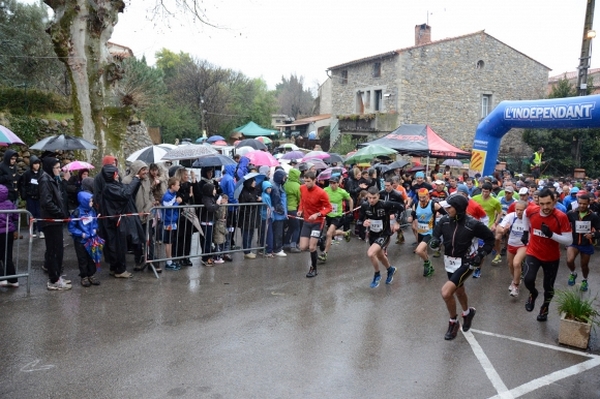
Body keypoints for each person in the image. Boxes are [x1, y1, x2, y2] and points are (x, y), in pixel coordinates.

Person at [429, 195, 495, 340]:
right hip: (449, 261)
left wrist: (481, 253)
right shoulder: (444, 221)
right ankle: (467, 313)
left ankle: (453, 322)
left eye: (449, 207)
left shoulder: (473, 224)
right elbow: (436, 235)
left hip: (467, 262)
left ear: (458, 209)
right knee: (459, 290)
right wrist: (434, 241)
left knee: (446, 293)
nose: (446, 209)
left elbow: (490, 239)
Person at [522, 188, 572, 322]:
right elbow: (525, 216)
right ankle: (533, 293)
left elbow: (569, 240)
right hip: (533, 252)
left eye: (548, 203)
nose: (545, 207)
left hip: (551, 257)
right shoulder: (532, 210)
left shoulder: (561, 216)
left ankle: (545, 307)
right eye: (542, 203)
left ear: (554, 201)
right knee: (527, 279)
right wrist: (525, 232)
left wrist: (551, 235)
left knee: (548, 287)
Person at [100, 164, 142, 278]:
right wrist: (136, 179)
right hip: (114, 221)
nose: (117, 175)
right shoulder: (110, 187)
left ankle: (115, 268)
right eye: (115, 173)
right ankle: (119, 270)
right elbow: (126, 193)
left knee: (115, 245)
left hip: (114, 220)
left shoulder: (112, 185)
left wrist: (136, 182)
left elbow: (127, 192)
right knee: (117, 246)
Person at [358, 186, 404, 288]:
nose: (371, 200)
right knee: (380, 256)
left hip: (384, 234)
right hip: (372, 235)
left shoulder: (385, 204)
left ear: (378, 196)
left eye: (374, 198)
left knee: (370, 253)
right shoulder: (365, 206)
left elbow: (401, 206)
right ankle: (390, 269)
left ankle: (377, 274)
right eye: (369, 197)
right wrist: (363, 222)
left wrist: (397, 221)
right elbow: (359, 220)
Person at [39, 157, 71, 291]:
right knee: (54, 250)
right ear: (50, 168)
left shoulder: (52, 179)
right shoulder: (45, 179)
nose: (59, 170)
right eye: (57, 167)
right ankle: (54, 279)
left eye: (59, 167)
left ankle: (56, 276)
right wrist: (59, 213)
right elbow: (47, 202)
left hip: (55, 220)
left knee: (58, 250)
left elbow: (59, 197)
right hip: (51, 221)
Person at [298, 171, 332, 278]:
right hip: (307, 221)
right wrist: (300, 210)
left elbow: (329, 208)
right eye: (305, 181)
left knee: (312, 247)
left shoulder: (321, 192)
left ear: (314, 180)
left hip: (318, 222)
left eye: (308, 181)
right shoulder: (302, 188)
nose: (306, 183)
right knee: (303, 247)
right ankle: (321, 239)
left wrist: (318, 214)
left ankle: (313, 268)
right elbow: (302, 200)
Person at [122, 160, 155, 271]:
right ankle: (138, 260)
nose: (145, 172)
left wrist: (148, 207)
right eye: (143, 169)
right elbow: (126, 198)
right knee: (136, 240)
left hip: (147, 214)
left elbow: (150, 195)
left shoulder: (147, 181)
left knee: (149, 238)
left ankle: (151, 260)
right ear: (137, 170)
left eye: (146, 169)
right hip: (134, 215)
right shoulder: (127, 181)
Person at [565, 193, 600, 292]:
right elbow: (563, 223)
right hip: (574, 242)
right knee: (569, 260)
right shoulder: (571, 213)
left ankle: (585, 280)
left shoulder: (593, 216)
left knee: (584, 265)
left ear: (588, 203)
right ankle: (573, 273)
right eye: (580, 203)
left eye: (584, 204)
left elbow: (599, 230)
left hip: (586, 243)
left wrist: (592, 235)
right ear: (577, 203)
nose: (582, 206)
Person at [67, 191, 101, 287]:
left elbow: (95, 221)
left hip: (91, 239)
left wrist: (95, 229)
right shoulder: (77, 212)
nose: (91, 203)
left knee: (92, 258)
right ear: (84, 201)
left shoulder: (92, 211)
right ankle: (84, 276)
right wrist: (80, 234)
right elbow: (71, 227)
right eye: (90, 201)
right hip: (81, 241)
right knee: (82, 259)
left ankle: (91, 274)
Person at [410, 188, 445, 277]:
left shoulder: (434, 204)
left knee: (418, 250)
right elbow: (413, 216)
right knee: (423, 251)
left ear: (428, 196)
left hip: (430, 232)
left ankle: (427, 264)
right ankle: (430, 267)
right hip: (420, 232)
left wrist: (443, 225)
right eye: (420, 197)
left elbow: (446, 214)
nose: (421, 199)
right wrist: (412, 221)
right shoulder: (416, 204)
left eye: (423, 197)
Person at [496, 200, 528, 297]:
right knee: (510, 265)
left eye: (521, 210)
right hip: (511, 244)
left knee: (516, 263)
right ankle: (515, 280)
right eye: (517, 209)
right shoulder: (510, 216)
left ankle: (516, 286)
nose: (519, 212)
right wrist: (504, 230)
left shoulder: (529, 218)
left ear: (525, 210)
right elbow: (498, 228)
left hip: (523, 245)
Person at [319, 176, 352, 263]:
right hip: (328, 215)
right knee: (332, 233)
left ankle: (324, 253)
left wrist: (351, 211)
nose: (332, 185)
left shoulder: (342, 192)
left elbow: (350, 200)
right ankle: (345, 233)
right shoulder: (325, 190)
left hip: (337, 216)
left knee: (329, 233)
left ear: (338, 183)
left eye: (334, 183)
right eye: (331, 183)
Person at [471, 182, 503, 272]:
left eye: (487, 192)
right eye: (483, 191)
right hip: (475, 225)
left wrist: (495, 223)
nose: (485, 194)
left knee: (481, 249)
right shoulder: (475, 198)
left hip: (487, 227)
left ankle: (478, 268)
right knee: (473, 246)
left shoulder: (495, 201)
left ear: (491, 191)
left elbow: (500, 212)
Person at [0, 184, 20, 288]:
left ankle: (2, 278)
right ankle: (13, 280)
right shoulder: (9, 204)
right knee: (7, 256)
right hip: (9, 233)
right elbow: (16, 215)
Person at [19, 155, 43, 238]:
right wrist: (24, 195)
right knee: (31, 214)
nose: (37, 165)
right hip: (30, 197)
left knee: (40, 214)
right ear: (32, 164)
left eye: (38, 164)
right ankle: (32, 230)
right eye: (35, 164)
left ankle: (41, 230)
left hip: (39, 197)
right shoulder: (27, 174)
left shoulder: (42, 173)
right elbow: (23, 185)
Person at [162, 177, 182, 271]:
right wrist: (177, 203)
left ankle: (170, 260)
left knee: (171, 241)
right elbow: (169, 208)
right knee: (168, 242)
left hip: (173, 221)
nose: (179, 186)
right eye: (178, 185)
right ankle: (168, 261)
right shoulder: (167, 196)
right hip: (168, 221)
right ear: (172, 186)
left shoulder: (174, 194)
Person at [238, 177, 261, 259]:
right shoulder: (244, 192)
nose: (255, 182)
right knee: (246, 234)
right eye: (253, 181)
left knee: (251, 233)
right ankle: (246, 251)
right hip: (246, 217)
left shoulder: (253, 191)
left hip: (252, 216)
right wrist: (255, 201)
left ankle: (249, 249)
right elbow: (244, 204)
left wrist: (258, 199)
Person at [200, 182, 221, 265]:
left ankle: (208, 256)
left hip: (210, 222)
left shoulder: (211, 197)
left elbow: (220, 194)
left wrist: (219, 198)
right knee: (206, 241)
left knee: (209, 241)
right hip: (206, 222)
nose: (215, 190)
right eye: (213, 189)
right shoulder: (206, 198)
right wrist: (217, 205)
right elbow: (210, 208)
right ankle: (205, 258)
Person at [284, 167, 302, 253]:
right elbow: (300, 198)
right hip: (293, 208)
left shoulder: (285, 184)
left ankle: (286, 243)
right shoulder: (297, 186)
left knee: (291, 227)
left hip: (285, 208)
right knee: (297, 228)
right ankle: (293, 245)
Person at [271, 169, 288, 257]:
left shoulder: (278, 186)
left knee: (278, 232)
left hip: (279, 215)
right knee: (278, 232)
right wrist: (282, 212)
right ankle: (277, 249)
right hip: (278, 215)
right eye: (284, 178)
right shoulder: (276, 187)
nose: (285, 180)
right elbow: (277, 202)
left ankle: (277, 248)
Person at [259, 181, 275, 258]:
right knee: (269, 233)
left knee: (263, 233)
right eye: (268, 188)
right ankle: (269, 250)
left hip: (263, 216)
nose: (269, 189)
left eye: (270, 188)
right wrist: (273, 210)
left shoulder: (263, 195)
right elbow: (269, 207)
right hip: (267, 217)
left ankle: (262, 248)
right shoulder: (266, 196)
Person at [213, 194, 229, 264]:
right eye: (224, 199)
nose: (226, 201)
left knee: (222, 242)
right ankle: (217, 257)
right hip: (219, 226)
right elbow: (219, 215)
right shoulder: (219, 207)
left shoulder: (224, 207)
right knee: (218, 244)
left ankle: (219, 256)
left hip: (222, 225)